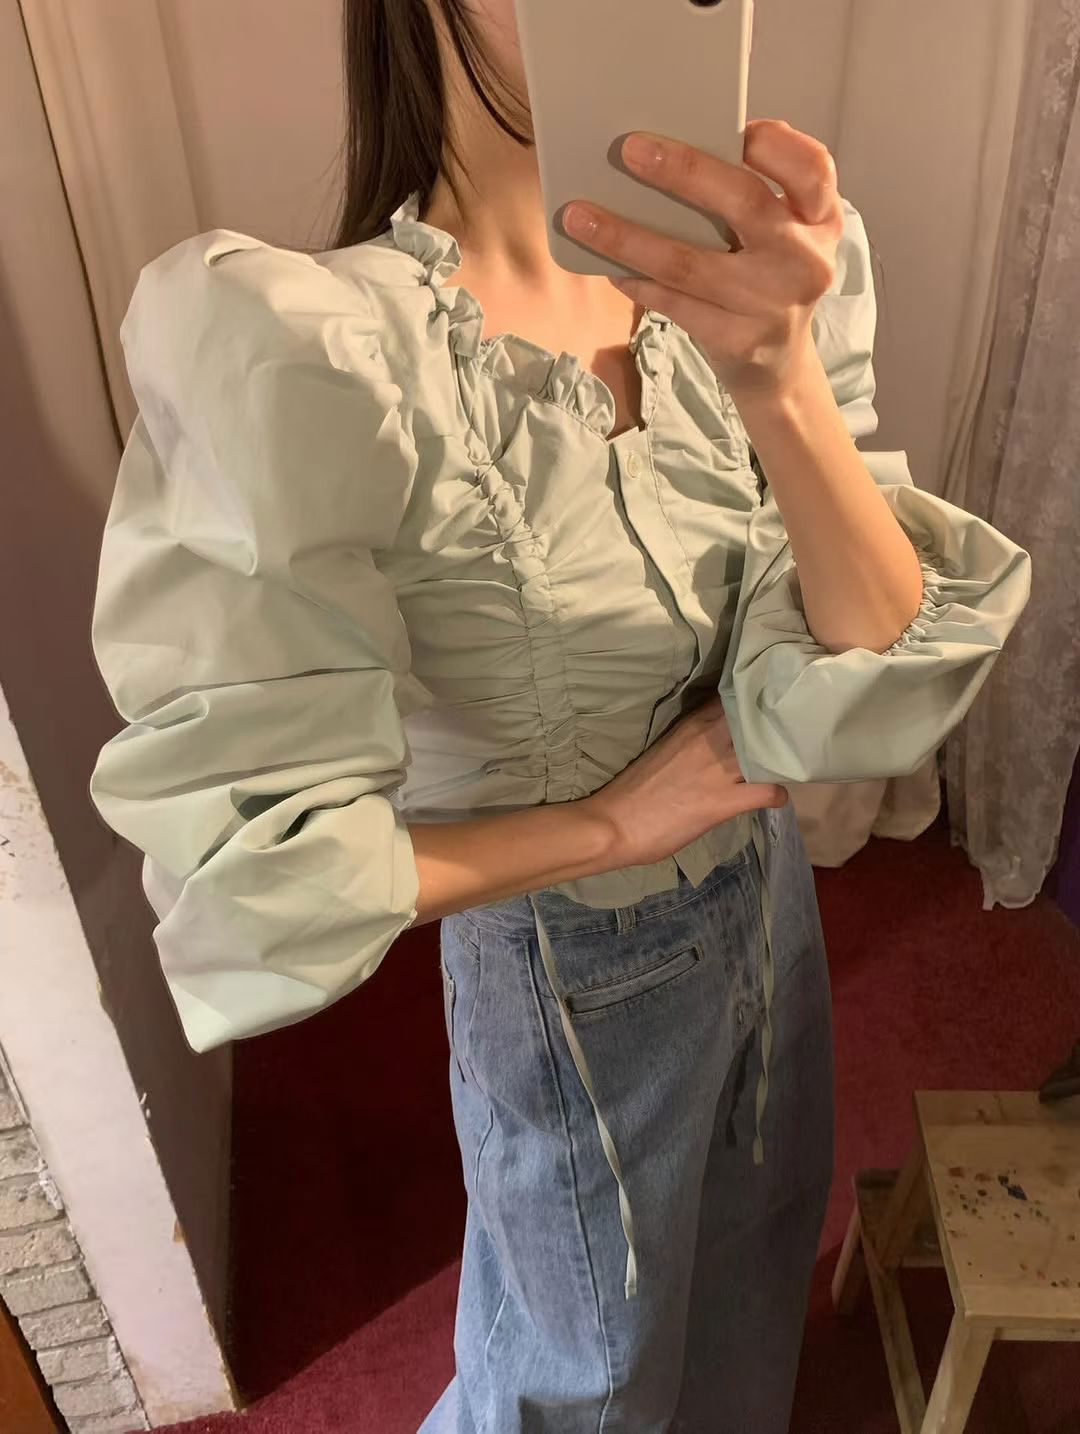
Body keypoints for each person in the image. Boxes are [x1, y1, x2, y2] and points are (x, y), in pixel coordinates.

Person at [87, 2, 1032, 1429]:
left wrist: (779, 377)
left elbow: (874, 664)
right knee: (580, 1387)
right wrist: (606, 825)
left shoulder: (771, 286)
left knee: (753, 1282)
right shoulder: (325, 347)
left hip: (770, 904)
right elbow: (257, 870)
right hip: (570, 969)